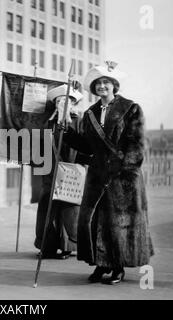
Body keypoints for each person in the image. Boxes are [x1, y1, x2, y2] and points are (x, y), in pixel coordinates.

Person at [62, 62, 154, 284]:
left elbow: (137, 144)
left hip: (123, 177)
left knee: (118, 222)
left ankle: (118, 267)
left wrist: (124, 168)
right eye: (98, 84)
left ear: (114, 86)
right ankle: (100, 265)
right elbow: (87, 146)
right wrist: (66, 133)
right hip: (97, 175)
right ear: (93, 89)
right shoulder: (90, 114)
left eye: (106, 82)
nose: (102, 86)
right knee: (93, 221)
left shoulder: (131, 108)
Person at [34, 84, 86, 260]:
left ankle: (67, 246)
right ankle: (46, 246)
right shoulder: (48, 122)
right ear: (55, 104)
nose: (63, 104)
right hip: (49, 171)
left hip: (71, 171)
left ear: (72, 104)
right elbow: (38, 146)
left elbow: (84, 148)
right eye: (59, 101)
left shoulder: (79, 122)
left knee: (68, 208)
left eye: (67, 101)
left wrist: (79, 167)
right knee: (47, 208)